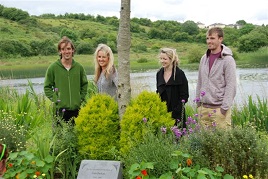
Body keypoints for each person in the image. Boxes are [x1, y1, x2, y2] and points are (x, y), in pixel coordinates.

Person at [195, 27, 237, 129]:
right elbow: (200, 81)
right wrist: (198, 104)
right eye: (207, 38)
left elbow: (231, 85)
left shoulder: (228, 60)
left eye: (212, 38)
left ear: (220, 39)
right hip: (203, 110)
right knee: (204, 143)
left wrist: (224, 108)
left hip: (219, 110)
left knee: (223, 143)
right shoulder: (204, 58)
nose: (209, 41)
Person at [44, 36, 88, 123]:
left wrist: (80, 98)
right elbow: (47, 87)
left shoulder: (79, 67)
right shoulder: (53, 68)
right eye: (63, 49)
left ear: (72, 50)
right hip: (60, 111)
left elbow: (84, 84)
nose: (66, 51)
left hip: (76, 110)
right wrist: (56, 99)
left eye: (68, 48)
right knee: (60, 135)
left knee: (76, 135)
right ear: (60, 51)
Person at [156, 48, 189, 128]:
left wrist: (176, 111)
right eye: (161, 58)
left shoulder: (179, 74)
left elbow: (185, 96)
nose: (162, 61)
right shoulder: (159, 74)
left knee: (178, 138)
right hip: (163, 114)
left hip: (177, 115)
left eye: (165, 59)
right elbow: (158, 92)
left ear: (171, 59)